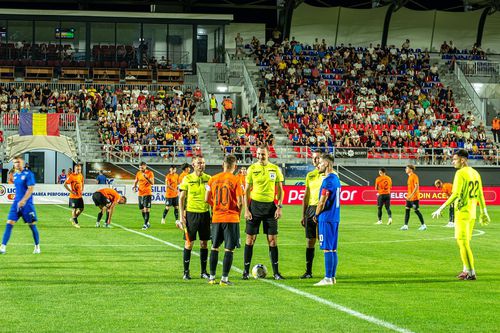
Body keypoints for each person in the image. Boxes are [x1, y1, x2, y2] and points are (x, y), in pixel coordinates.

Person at [432, 149, 490, 280]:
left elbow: (456, 194)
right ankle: (466, 269)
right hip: (472, 213)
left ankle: (471, 272)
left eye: (454, 159)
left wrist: (441, 208)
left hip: (462, 213)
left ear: (462, 160)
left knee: (462, 243)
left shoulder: (460, 173)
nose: (452, 161)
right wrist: (484, 211)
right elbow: (480, 193)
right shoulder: (475, 172)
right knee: (466, 242)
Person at [243, 144, 285, 280]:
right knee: (250, 239)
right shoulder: (252, 169)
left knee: (272, 241)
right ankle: (245, 272)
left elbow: (280, 190)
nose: (261, 156)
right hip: (254, 207)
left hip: (270, 208)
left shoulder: (275, 169)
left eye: (263, 154)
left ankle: (276, 273)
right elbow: (246, 191)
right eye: (259, 154)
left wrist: (279, 207)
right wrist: (246, 209)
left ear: (268, 155)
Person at [205, 154, 245, 286]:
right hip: (231, 217)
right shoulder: (236, 180)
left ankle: (211, 278)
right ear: (235, 166)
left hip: (216, 218)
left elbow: (206, 199)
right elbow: (240, 201)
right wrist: (237, 211)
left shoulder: (212, 179)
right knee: (229, 249)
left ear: (223, 165)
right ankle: (224, 279)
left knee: (214, 247)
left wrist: (216, 206)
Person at [178, 156, 211, 280]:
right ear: (193, 164)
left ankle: (204, 272)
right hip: (191, 214)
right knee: (189, 243)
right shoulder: (187, 178)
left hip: (205, 214)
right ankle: (186, 272)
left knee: (204, 243)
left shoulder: (209, 179)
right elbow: (181, 198)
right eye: (199, 163)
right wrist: (182, 217)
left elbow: (212, 198)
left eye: (203, 163)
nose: (201, 165)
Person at [0, 156, 40, 254]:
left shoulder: (28, 174)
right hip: (16, 204)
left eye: (18, 162)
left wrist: (23, 200)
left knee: (32, 225)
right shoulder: (16, 175)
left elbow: (30, 188)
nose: (16, 164)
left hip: (27, 205)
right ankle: (3, 247)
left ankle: (37, 246)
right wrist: (18, 201)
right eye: (14, 162)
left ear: (22, 162)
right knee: (9, 223)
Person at [314, 154, 341, 286]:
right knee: (333, 249)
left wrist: (316, 214)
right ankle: (332, 277)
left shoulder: (328, 180)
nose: (318, 165)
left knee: (327, 249)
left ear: (326, 164)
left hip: (326, 217)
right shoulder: (336, 179)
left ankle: (328, 278)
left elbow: (322, 202)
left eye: (320, 163)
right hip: (335, 217)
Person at [300, 151, 323, 279]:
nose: (315, 160)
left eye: (318, 157)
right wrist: (303, 214)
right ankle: (308, 271)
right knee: (310, 241)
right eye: (313, 158)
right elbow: (306, 195)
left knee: (324, 242)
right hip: (310, 209)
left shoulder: (329, 174)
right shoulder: (310, 175)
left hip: (323, 209)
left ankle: (329, 273)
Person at [401, 165, 426, 231]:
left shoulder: (414, 176)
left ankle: (423, 225)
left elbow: (416, 186)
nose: (405, 169)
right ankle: (405, 225)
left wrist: (411, 195)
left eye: (407, 168)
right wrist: (408, 196)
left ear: (411, 169)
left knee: (416, 210)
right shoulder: (409, 177)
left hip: (414, 197)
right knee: (407, 210)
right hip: (409, 197)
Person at [133, 162, 154, 230]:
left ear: (145, 166)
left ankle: (145, 224)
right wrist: (134, 187)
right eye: (140, 167)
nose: (141, 169)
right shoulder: (138, 173)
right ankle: (147, 222)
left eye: (142, 167)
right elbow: (136, 181)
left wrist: (147, 178)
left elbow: (152, 183)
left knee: (146, 209)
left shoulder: (150, 173)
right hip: (140, 193)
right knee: (142, 209)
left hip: (147, 193)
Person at [64, 164, 84, 229]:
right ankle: (75, 223)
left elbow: (82, 182)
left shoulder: (81, 175)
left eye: (80, 169)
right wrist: (71, 191)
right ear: (75, 169)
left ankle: (73, 218)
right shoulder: (71, 176)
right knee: (74, 209)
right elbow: (65, 184)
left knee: (81, 209)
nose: (79, 170)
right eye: (78, 169)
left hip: (79, 196)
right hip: (73, 196)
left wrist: (82, 190)